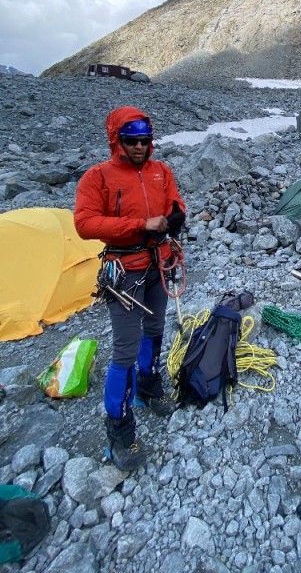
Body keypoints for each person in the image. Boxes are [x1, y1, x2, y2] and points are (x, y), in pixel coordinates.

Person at [74, 107, 186, 471]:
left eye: (145, 140)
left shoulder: (161, 171)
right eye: (132, 141)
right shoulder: (98, 177)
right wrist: (141, 224)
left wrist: (173, 220)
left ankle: (149, 386)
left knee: (154, 330)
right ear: (117, 141)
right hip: (124, 272)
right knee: (123, 351)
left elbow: (176, 205)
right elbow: (85, 223)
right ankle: (119, 429)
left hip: (159, 265)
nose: (140, 147)